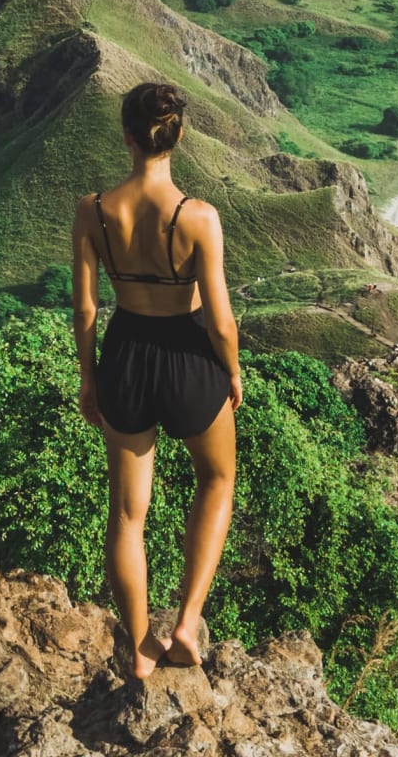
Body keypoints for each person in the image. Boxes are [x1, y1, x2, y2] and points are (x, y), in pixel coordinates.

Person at [70, 81, 241, 680]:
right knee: (218, 478)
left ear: (126, 135)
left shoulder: (93, 211)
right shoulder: (197, 217)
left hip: (126, 353)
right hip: (190, 354)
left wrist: (89, 378)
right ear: (180, 135)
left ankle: (142, 644)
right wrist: (233, 372)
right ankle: (187, 623)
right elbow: (220, 317)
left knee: (127, 513)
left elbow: (86, 310)